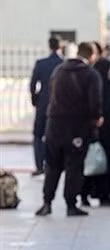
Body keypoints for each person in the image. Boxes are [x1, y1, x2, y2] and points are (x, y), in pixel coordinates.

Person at [35, 41, 102, 217]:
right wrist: (96, 119)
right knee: (74, 166)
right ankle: (71, 204)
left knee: (52, 165)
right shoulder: (91, 74)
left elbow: (51, 93)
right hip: (77, 127)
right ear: (91, 56)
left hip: (54, 124)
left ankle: (47, 202)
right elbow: (95, 102)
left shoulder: (59, 70)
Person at [81, 58, 110, 206]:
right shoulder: (97, 87)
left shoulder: (107, 86)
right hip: (99, 133)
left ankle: (105, 194)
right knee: (94, 164)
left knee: (102, 164)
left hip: (107, 133)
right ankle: (90, 194)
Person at [29, 37, 63, 176]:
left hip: (43, 104)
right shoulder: (63, 64)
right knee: (58, 136)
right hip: (60, 105)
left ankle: (39, 166)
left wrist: (35, 99)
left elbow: (32, 85)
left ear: (49, 46)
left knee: (38, 135)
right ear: (60, 47)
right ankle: (56, 165)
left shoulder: (41, 63)